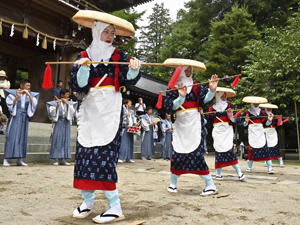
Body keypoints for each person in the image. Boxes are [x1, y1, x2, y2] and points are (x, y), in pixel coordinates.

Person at [70, 10, 141, 224]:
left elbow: (128, 80)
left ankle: (115, 206)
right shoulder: (83, 56)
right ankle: (88, 201)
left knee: (104, 159)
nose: (110, 35)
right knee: (84, 157)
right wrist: (82, 70)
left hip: (110, 108)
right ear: (96, 31)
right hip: (91, 109)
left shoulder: (119, 56)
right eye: (106, 31)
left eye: (112, 32)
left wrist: (133, 69)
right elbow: (79, 86)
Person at [163, 64, 219, 196]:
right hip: (180, 123)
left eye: (190, 70)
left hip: (194, 123)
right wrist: (181, 97)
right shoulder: (172, 88)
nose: (188, 72)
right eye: (185, 70)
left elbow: (204, 102)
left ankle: (210, 184)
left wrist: (211, 91)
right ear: (180, 71)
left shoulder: (197, 86)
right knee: (177, 153)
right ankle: (173, 184)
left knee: (196, 154)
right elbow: (169, 108)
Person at [208, 87, 245, 181]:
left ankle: (239, 173)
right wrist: (202, 114)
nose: (224, 97)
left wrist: (231, 116)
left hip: (227, 131)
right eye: (222, 95)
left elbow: (237, 120)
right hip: (217, 132)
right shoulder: (211, 109)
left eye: (225, 95)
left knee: (230, 151)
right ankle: (218, 174)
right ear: (217, 96)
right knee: (219, 151)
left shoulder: (230, 106)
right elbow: (208, 122)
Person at [3, 79, 39, 167]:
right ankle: (6, 159)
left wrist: (29, 95)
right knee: (12, 136)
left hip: (24, 118)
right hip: (15, 117)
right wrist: (17, 96)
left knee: (22, 137)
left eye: (29, 86)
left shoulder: (31, 95)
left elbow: (34, 104)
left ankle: (20, 159)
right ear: (22, 85)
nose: (28, 88)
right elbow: (10, 106)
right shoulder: (13, 94)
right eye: (27, 86)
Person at [242, 97, 275, 174]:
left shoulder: (263, 112)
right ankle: (249, 167)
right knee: (251, 150)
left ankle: (270, 168)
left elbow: (266, 124)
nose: (256, 104)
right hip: (252, 132)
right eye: (254, 103)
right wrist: (246, 122)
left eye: (257, 103)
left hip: (260, 132)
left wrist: (269, 121)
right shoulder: (247, 112)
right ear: (251, 103)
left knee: (266, 150)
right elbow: (243, 125)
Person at [47, 88, 77, 166]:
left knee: (65, 140)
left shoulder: (70, 103)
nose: (67, 96)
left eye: (68, 94)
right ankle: (56, 159)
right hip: (59, 123)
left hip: (66, 123)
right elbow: (52, 113)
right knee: (57, 140)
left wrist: (67, 104)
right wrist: (58, 106)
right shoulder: (55, 103)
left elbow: (72, 113)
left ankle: (63, 159)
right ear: (62, 95)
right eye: (66, 94)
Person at [119, 99, 136, 163]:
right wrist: (125, 115)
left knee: (130, 143)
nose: (131, 104)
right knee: (123, 143)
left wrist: (135, 123)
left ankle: (129, 157)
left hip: (131, 128)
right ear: (126, 104)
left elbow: (133, 118)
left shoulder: (131, 111)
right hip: (124, 127)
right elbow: (119, 117)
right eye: (130, 103)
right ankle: (120, 157)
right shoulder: (122, 109)